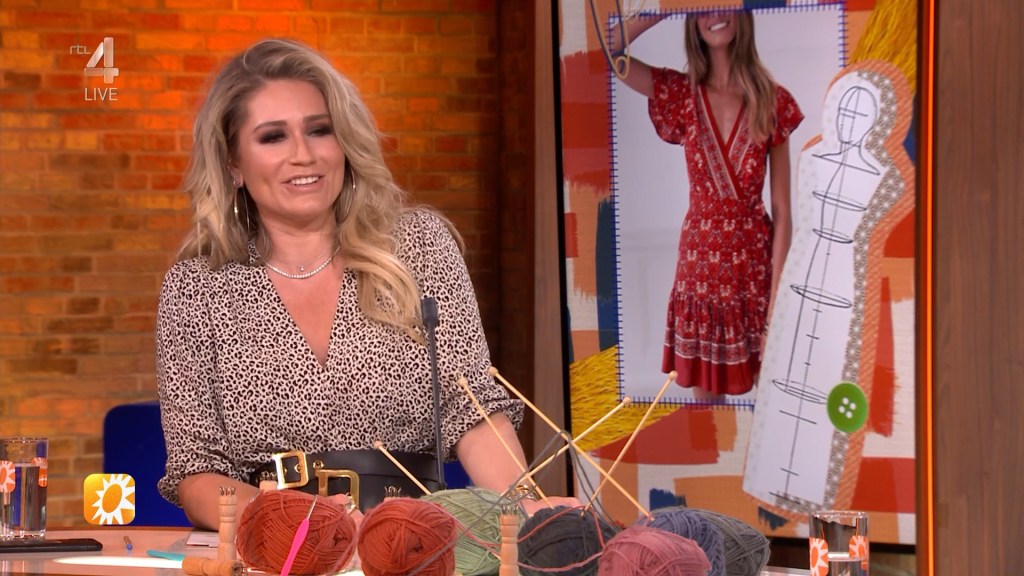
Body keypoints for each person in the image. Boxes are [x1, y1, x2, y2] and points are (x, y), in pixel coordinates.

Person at [156, 38, 576, 530]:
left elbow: (470, 408)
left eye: (320, 130)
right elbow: (196, 471)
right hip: (277, 545)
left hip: (410, 539)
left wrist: (523, 510)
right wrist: (302, 524)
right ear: (234, 165)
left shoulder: (419, 247)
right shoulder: (196, 289)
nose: (303, 154)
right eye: (273, 137)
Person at [610, 11, 803, 399]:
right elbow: (609, 50)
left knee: (772, 405)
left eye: (723, 2)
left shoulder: (772, 99)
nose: (715, 13)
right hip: (701, 277)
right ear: (692, 17)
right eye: (703, 5)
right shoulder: (680, 94)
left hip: (756, 274)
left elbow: (782, 212)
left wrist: (776, 306)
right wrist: (667, 6)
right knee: (709, 415)